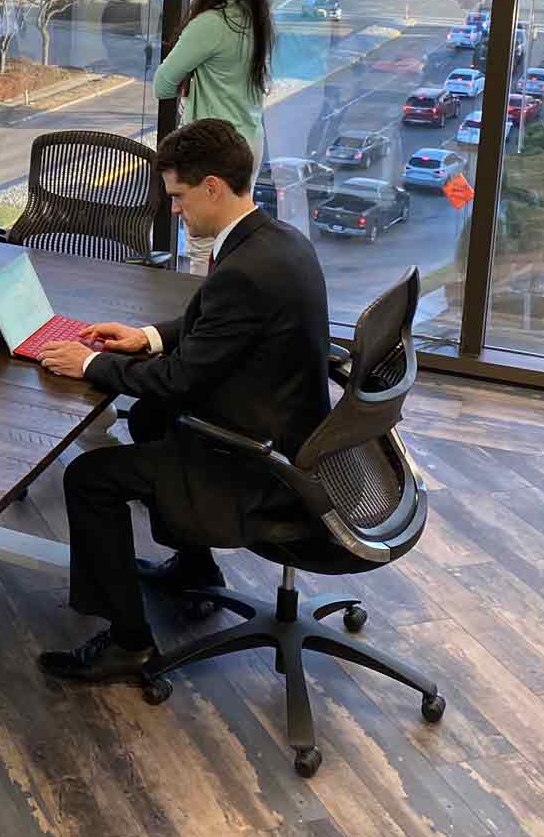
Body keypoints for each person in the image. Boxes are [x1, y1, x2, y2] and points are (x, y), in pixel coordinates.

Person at [30, 119, 332, 683]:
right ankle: (196, 566)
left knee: (89, 479)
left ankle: (129, 643)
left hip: (259, 464)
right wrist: (145, 337)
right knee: (149, 417)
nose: (174, 210)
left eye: (178, 196)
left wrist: (90, 363)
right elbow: (210, 323)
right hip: (293, 432)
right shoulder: (274, 240)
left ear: (213, 187)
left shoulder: (244, 271)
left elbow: (178, 379)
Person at [151, 0, 273, 274]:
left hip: (214, 152)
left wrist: (190, 76)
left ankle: (206, 322)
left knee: (204, 249)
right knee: (232, 241)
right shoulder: (253, 18)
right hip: (247, 142)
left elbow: (162, 84)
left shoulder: (213, 24)